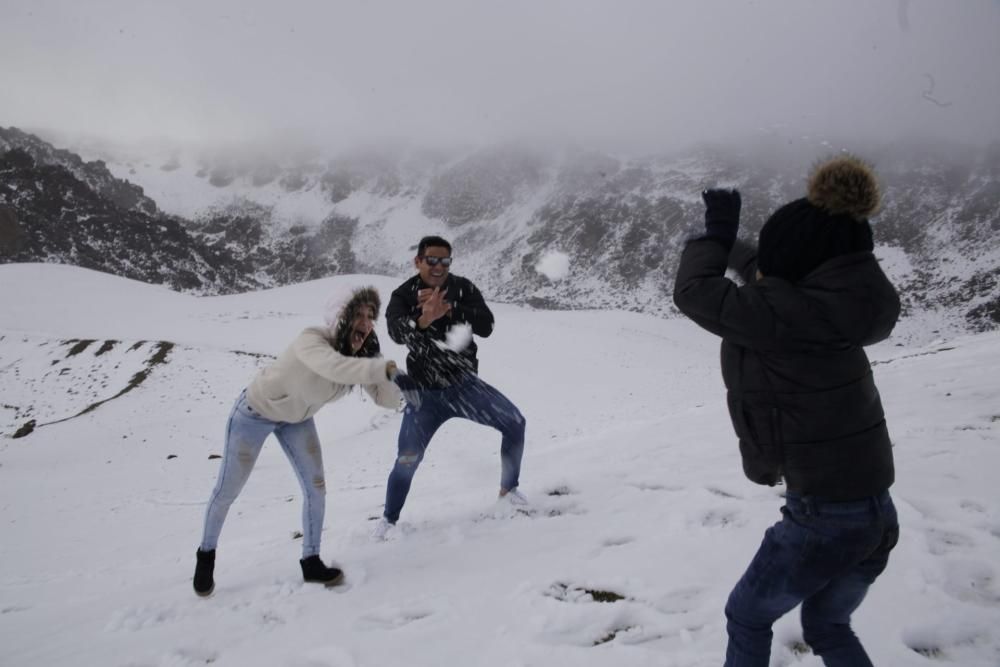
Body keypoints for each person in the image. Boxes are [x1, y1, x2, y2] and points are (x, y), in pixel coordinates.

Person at [672, 155, 901, 666]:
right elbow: (771, 272)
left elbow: (694, 293)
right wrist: (734, 246)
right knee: (827, 625)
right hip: (876, 514)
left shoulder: (783, 317)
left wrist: (713, 235)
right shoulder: (844, 304)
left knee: (747, 616)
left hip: (823, 520)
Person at [194, 286, 403, 596]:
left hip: (296, 419)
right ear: (340, 318)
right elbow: (331, 367)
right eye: (358, 315)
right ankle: (206, 556)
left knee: (315, 488)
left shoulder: (358, 357)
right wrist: (376, 367)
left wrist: (379, 366)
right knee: (228, 490)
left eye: (370, 317)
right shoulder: (312, 339)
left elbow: (387, 400)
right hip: (254, 412)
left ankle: (311, 561)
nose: (366, 323)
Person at [372, 235, 527, 539]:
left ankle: (509, 491)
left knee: (515, 422)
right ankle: (388, 521)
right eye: (432, 260)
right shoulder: (403, 295)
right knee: (407, 459)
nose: (439, 266)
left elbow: (487, 326)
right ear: (418, 261)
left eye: (445, 261)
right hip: (423, 396)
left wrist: (452, 310)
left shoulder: (463, 288)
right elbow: (396, 332)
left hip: (464, 387)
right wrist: (424, 319)